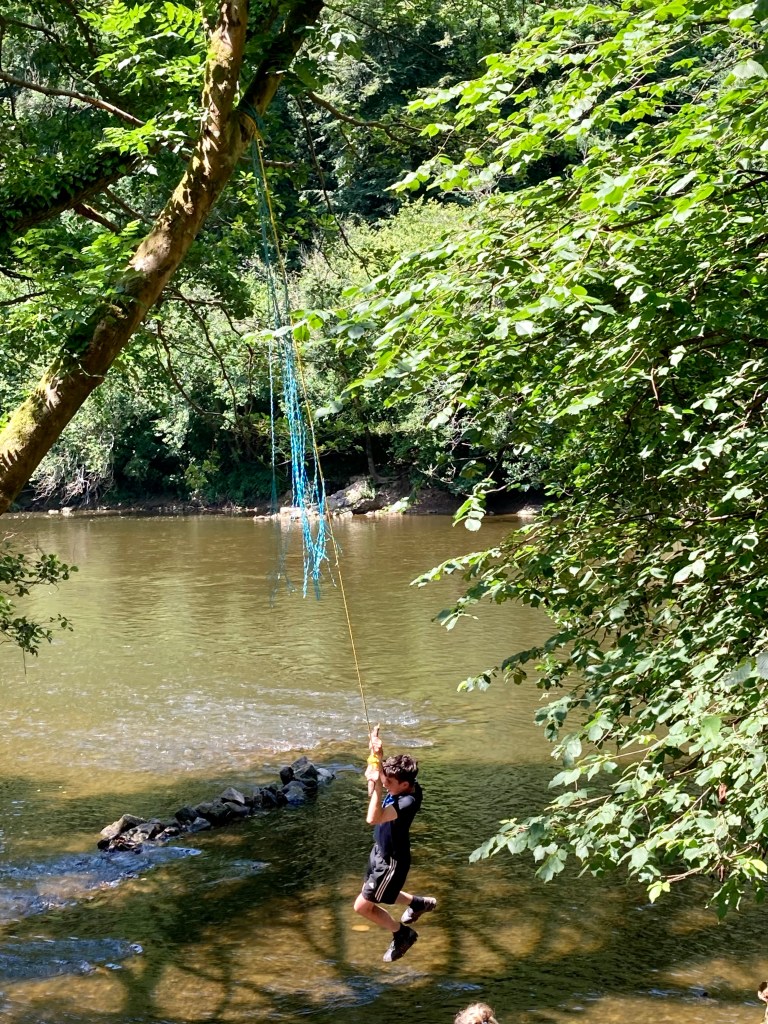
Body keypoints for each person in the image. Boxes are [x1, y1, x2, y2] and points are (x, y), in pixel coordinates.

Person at [353, 725, 437, 961]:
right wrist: (375, 756)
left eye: (389, 782)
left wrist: (378, 783)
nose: (385, 783)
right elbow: (374, 785)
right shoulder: (401, 783)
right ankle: (418, 903)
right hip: (379, 851)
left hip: (391, 861)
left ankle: (403, 935)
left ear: (404, 785)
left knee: (362, 906)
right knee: (376, 892)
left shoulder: (408, 801)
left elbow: (373, 817)